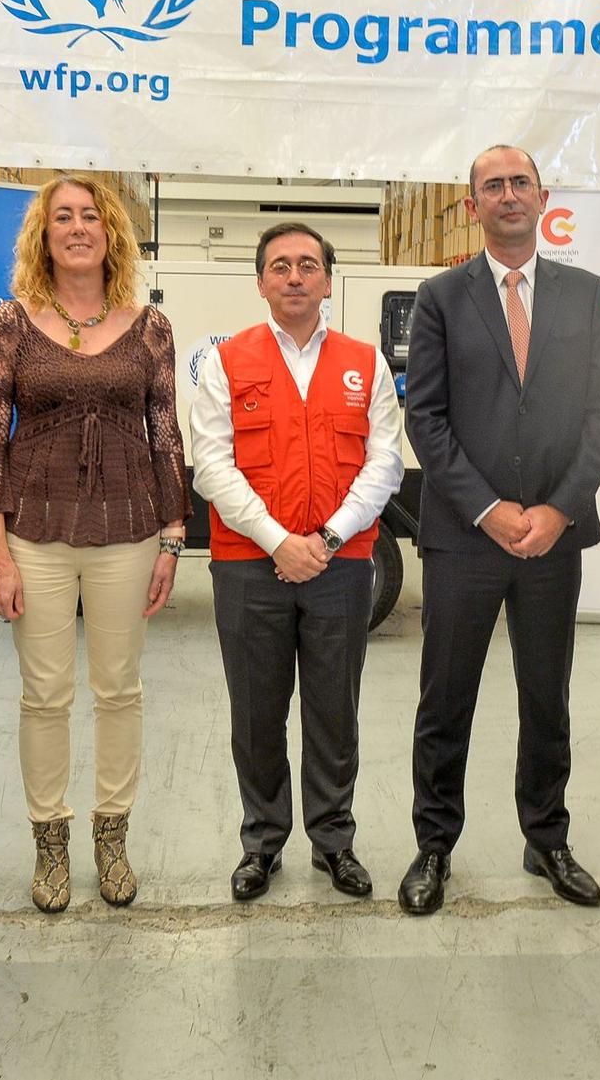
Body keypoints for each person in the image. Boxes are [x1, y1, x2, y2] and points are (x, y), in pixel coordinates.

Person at [398, 143, 600, 915]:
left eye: (518, 181)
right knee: (446, 696)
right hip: (466, 537)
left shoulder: (585, 294)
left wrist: (558, 507)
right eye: (491, 185)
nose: (507, 195)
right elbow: (423, 417)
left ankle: (547, 838)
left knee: (546, 695)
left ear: (542, 194)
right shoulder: (440, 297)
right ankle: (434, 845)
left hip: (552, 538)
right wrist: (488, 508)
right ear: (473, 206)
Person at [0, 172, 188, 914]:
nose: (76, 226)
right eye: (61, 216)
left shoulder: (149, 325)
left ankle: (113, 834)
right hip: (34, 529)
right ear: (43, 234)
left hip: (129, 528)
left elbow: (166, 435)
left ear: (110, 231)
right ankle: (50, 840)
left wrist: (173, 537)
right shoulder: (10, 322)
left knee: (120, 688)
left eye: (89, 215)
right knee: (45, 693)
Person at [190, 222, 405, 902]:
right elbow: (212, 466)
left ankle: (334, 838)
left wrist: (331, 538)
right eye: (279, 264)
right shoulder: (227, 363)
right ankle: (262, 840)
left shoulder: (364, 363)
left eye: (307, 264)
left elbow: (385, 462)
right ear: (260, 281)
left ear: (327, 280)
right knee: (256, 711)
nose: (293, 276)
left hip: (341, 565)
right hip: (249, 566)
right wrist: (280, 540)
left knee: (333, 708)